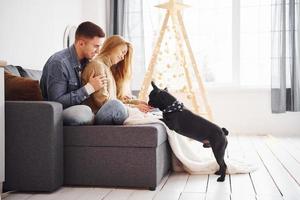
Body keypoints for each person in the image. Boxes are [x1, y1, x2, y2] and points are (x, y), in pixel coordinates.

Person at [40, 21, 126, 125]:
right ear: (81, 43)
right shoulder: (59, 63)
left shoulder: (87, 62)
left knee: (114, 106)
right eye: (96, 46)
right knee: (85, 112)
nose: (98, 51)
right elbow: (57, 102)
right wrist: (89, 88)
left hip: (83, 109)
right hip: (60, 112)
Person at [81, 35, 153, 125]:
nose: (123, 57)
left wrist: (136, 102)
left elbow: (113, 99)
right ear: (112, 47)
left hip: (109, 109)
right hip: (97, 115)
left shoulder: (107, 68)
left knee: (130, 107)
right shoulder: (97, 66)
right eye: (122, 52)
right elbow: (104, 103)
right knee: (116, 105)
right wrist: (134, 107)